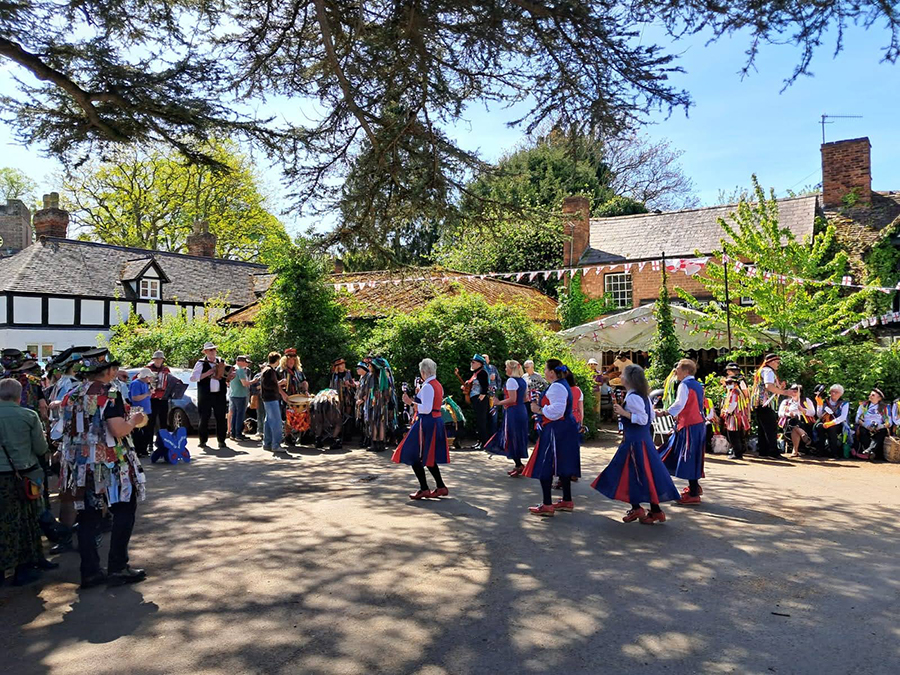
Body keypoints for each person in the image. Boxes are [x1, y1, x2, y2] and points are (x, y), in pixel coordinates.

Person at [59, 348, 147, 589]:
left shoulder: (73, 393)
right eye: (114, 368)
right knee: (124, 509)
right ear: (108, 371)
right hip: (110, 463)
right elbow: (117, 430)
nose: (116, 372)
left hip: (81, 465)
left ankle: (90, 572)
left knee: (87, 516)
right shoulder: (111, 392)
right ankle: (118, 567)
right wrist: (135, 421)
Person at [592, 364, 679, 524]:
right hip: (643, 441)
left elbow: (644, 419)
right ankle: (654, 511)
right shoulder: (643, 396)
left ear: (629, 379)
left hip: (634, 442)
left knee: (629, 474)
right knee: (647, 474)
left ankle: (638, 508)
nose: (620, 376)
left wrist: (624, 413)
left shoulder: (632, 397)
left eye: (623, 374)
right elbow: (651, 417)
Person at [0, 378, 57, 586]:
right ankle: (25, 567)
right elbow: (41, 449)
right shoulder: (28, 415)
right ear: (19, 395)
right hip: (24, 476)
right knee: (27, 520)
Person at [522, 359, 581, 517]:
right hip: (564, 428)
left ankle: (547, 504)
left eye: (546, 369)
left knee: (545, 464)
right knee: (562, 463)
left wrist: (538, 409)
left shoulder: (557, 387)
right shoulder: (562, 384)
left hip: (556, 429)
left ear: (552, 372)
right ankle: (566, 500)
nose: (544, 371)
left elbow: (557, 411)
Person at [392, 358, 450, 499]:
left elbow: (426, 409)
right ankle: (440, 487)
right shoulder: (437, 385)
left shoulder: (428, 386)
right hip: (434, 421)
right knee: (427, 455)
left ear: (423, 372)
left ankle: (425, 488)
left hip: (426, 422)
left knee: (413, 453)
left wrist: (410, 402)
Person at [658, 359, 706, 505]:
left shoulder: (684, 384)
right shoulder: (697, 384)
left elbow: (680, 403)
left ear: (686, 371)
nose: (676, 371)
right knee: (693, 456)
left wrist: (665, 412)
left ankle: (693, 493)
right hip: (697, 424)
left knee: (688, 456)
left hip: (689, 425)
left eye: (678, 368)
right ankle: (694, 488)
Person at [485, 360, 530, 476]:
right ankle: (518, 464)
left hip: (513, 412)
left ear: (511, 369)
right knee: (517, 436)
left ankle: (518, 464)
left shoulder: (511, 381)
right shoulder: (523, 380)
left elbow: (512, 399)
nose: (505, 369)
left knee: (511, 436)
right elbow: (525, 399)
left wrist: (498, 403)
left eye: (506, 367)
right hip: (521, 410)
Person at [190, 342, 231, 450]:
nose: (213, 352)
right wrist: (208, 373)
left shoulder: (221, 361)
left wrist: (230, 376)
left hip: (219, 394)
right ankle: (203, 441)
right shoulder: (200, 363)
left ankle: (221, 441)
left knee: (221, 418)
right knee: (204, 418)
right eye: (210, 350)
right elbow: (193, 378)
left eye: (214, 349)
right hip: (205, 395)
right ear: (206, 352)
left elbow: (226, 376)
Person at [751, 354, 792, 458]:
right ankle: (773, 452)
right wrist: (785, 392)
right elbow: (769, 386)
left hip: (759, 403)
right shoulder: (768, 371)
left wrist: (779, 387)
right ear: (770, 362)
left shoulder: (763, 370)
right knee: (771, 428)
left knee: (763, 428)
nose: (778, 364)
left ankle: (763, 451)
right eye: (777, 362)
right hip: (765, 403)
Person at [365, 357, 397, 452]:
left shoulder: (371, 376)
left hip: (374, 402)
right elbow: (389, 392)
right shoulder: (385, 376)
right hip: (383, 403)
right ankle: (381, 444)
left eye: (370, 366)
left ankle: (374, 443)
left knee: (374, 422)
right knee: (382, 422)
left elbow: (368, 391)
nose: (369, 367)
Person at [260, 352, 288, 452]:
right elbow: (268, 385)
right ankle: (276, 444)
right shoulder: (269, 371)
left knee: (268, 421)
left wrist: (277, 384)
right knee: (276, 421)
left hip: (267, 398)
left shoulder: (266, 370)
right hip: (271, 398)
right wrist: (279, 383)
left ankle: (267, 443)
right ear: (277, 360)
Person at [778, 384, 816, 458]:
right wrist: (788, 413)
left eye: (795, 391)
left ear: (800, 393)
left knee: (795, 426)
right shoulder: (786, 402)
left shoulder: (806, 401)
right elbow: (780, 413)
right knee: (793, 422)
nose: (793, 393)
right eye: (792, 391)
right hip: (789, 421)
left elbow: (812, 413)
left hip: (803, 422)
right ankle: (802, 434)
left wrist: (803, 410)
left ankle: (795, 451)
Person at [854, 387, 890, 461]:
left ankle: (869, 451)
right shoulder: (864, 406)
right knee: (862, 430)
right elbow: (857, 419)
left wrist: (880, 426)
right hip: (865, 426)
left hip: (878, 428)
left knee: (883, 431)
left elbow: (888, 422)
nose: (870, 396)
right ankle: (871, 451)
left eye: (873, 395)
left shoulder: (884, 407)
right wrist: (866, 426)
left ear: (879, 398)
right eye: (870, 395)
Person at [815, 384, 850, 459]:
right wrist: (819, 405)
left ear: (841, 394)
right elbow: (819, 415)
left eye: (836, 392)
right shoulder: (824, 401)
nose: (833, 393)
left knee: (832, 428)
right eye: (832, 391)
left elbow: (843, 417)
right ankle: (820, 451)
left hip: (838, 424)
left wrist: (831, 423)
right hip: (825, 422)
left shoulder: (844, 403)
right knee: (819, 426)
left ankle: (834, 452)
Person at [145, 350, 171, 451]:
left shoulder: (166, 369)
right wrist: (149, 381)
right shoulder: (147, 369)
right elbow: (138, 379)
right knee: (151, 422)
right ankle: (149, 444)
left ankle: (163, 443)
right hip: (152, 399)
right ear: (153, 359)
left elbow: (169, 380)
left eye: (160, 359)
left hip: (163, 398)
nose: (158, 361)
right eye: (157, 359)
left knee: (163, 422)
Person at [721, 377, 751, 459]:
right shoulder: (736, 391)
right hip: (738, 416)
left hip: (734, 416)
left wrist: (727, 411)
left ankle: (737, 453)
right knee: (737, 435)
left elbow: (733, 404)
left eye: (730, 383)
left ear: (735, 383)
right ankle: (737, 452)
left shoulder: (734, 392)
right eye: (727, 383)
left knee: (733, 435)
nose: (728, 385)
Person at [329, 358, 356, 449]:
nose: (343, 365)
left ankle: (347, 434)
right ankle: (338, 435)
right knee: (338, 416)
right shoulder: (334, 375)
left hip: (347, 396)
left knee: (347, 415)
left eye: (343, 364)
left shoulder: (348, 373)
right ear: (337, 366)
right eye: (341, 364)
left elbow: (354, 385)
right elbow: (331, 386)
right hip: (337, 397)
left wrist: (348, 384)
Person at [466, 354, 492, 449]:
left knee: (482, 421)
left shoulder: (482, 373)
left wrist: (481, 396)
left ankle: (484, 443)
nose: (471, 364)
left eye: (473, 362)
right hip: (476, 399)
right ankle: (480, 441)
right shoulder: (476, 373)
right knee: (478, 421)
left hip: (480, 400)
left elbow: (485, 386)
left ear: (480, 364)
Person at [128, 368, 155, 457]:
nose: (150, 379)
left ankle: (143, 449)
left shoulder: (145, 384)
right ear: (146, 377)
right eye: (149, 377)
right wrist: (147, 394)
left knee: (147, 431)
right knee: (138, 432)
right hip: (138, 410)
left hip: (146, 410)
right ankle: (138, 450)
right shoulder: (136, 384)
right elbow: (135, 398)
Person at [229, 356, 252, 441]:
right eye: (246, 362)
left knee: (235, 415)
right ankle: (238, 434)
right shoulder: (240, 370)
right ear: (241, 362)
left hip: (233, 394)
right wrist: (254, 381)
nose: (247, 364)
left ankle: (233, 433)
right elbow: (244, 383)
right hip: (241, 395)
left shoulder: (232, 369)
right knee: (240, 415)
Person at [355, 361, 371, 447]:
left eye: (358, 368)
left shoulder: (368, 377)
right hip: (360, 402)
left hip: (366, 403)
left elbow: (369, 391)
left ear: (363, 369)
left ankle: (368, 439)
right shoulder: (362, 377)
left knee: (366, 422)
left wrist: (363, 400)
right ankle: (363, 438)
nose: (357, 370)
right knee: (361, 422)